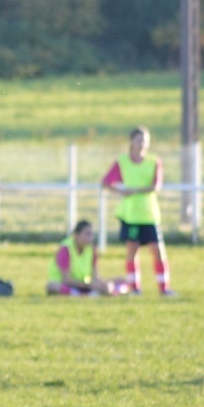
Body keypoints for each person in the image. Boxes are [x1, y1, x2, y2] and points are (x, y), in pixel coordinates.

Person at [101, 126, 175, 296]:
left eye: (145, 141)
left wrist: (134, 190)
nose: (142, 144)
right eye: (139, 140)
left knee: (157, 250)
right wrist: (121, 191)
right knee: (132, 250)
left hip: (149, 213)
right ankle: (135, 288)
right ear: (131, 142)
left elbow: (155, 186)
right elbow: (105, 183)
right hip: (131, 214)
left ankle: (164, 288)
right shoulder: (122, 161)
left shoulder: (153, 161)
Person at [47, 220, 127, 296]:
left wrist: (102, 284)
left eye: (92, 234)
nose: (91, 238)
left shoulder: (91, 249)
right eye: (87, 234)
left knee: (121, 280)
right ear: (76, 235)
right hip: (69, 284)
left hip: (85, 284)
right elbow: (66, 280)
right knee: (53, 286)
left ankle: (84, 293)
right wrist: (89, 285)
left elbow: (95, 276)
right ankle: (82, 293)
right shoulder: (66, 249)